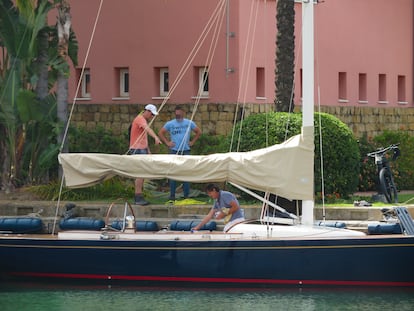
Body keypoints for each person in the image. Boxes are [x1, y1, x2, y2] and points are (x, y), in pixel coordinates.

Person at [158, 105, 201, 200]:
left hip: (185, 150)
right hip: (174, 150)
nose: (177, 115)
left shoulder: (189, 123)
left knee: (186, 173)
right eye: (176, 113)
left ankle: (186, 195)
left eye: (179, 113)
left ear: (183, 112)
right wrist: (167, 143)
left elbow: (198, 132)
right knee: (173, 173)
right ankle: (172, 195)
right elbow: (161, 133)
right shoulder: (170, 124)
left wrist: (192, 142)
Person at [129, 104, 162, 205]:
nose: (152, 117)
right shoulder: (140, 119)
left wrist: (148, 150)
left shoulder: (143, 120)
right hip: (137, 150)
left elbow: (143, 137)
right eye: (152, 115)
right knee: (140, 174)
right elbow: (148, 130)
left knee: (142, 174)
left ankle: (139, 196)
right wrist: (156, 137)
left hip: (142, 149)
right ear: (147, 111)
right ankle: (138, 196)